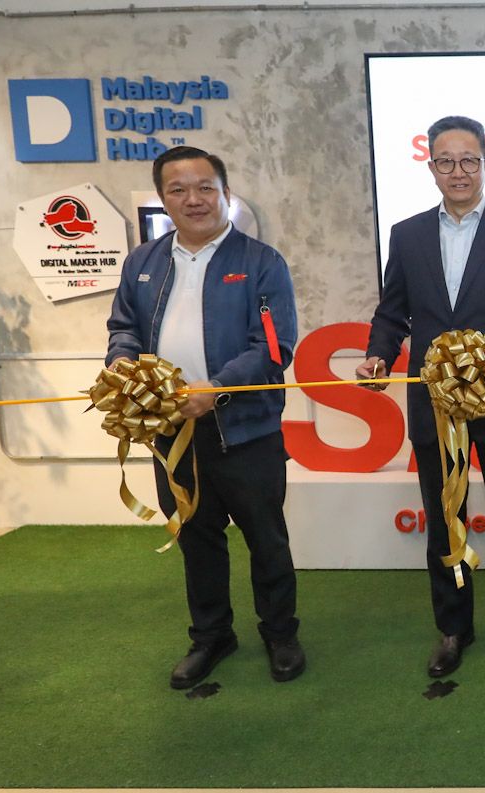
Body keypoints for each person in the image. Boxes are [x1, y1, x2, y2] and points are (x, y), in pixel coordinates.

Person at [357, 116, 485, 678]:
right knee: (446, 520)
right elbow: (392, 314)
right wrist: (378, 355)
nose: (458, 171)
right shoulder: (407, 235)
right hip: (434, 405)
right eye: (446, 161)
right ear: (431, 167)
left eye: (469, 160)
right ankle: (453, 628)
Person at [106, 145, 305, 689]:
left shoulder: (261, 262)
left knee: (267, 538)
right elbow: (123, 328)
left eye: (204, 188)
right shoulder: (142, 263)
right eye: (178, 190)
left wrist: (215, 391)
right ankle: (212, 637)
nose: (193, 199)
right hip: (171, 433)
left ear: (225, 194)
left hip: (247, 430)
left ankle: (281, 634)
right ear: (163, 198)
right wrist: (122, 366)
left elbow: (273, 348)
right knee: (196, 538)